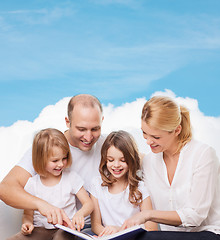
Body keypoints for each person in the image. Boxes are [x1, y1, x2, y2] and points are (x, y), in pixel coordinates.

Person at [121, 96, 220, 240]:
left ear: (176, 130)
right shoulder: (149, 161)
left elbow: (195, 216)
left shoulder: (203, 155)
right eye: (144, 133)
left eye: (156, 137)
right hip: (170, 236)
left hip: (208, 234)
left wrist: (147, 214)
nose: (148, 141)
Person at [0, 94, 105, 228]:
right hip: (51, 228)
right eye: (81, 129)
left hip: (87, 229)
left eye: (95, 129)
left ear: (101, 121)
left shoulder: (108, 146)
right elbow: (5, 189)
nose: (89, 137)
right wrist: (41, 204)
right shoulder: (48, 147)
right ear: (68, 122)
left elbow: (137, 158)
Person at [7, 128, 93, 240]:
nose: (61, 164)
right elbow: (28, 214)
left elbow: (88, 203)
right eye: (55, 160)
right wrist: (27, 224)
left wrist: (80, 214)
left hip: (66, 229)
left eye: (64, 158)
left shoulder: (71, 178)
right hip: (40, 229)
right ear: (41, 159)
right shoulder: (32, 184)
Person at [89, 130, 158, 237]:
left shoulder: (141, 188)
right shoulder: (97, 185)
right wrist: (105, 235)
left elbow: (151, 228)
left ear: (131, 160)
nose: (116, 165)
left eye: (123, 160)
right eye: (111, 160)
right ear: (105, 160)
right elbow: (96, 225)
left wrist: (119, 231)